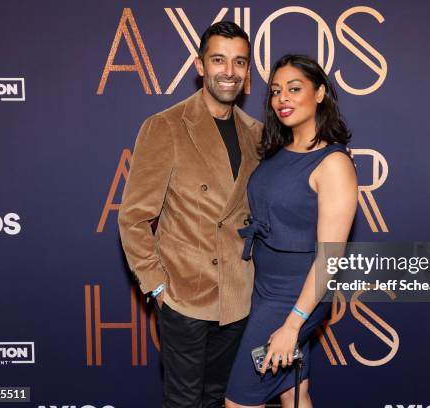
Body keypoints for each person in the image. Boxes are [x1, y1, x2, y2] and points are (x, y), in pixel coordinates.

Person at [118, 22, 262, 408]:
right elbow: (133, 218)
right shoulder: (165, 126)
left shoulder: (257, 134)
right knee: (183, 402)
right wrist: (159, 287)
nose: (229, 71)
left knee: (220, 399)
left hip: (238, 299)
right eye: (219, 60)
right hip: (186, 297)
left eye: (239, 62)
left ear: (248, 71)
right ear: (200, 65)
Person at [225, 54, 358, 408]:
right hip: (265, 287)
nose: (283, 98)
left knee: (238, 402)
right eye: (276, 91)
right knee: (293, 392)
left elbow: (330, 257)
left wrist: (292, 324)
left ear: (319, 93)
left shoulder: (333, 163)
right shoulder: (276, 152)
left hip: (296, 295)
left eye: (294, 89)